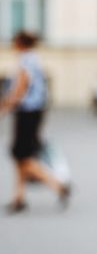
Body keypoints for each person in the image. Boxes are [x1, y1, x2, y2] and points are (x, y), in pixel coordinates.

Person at [2, 31, 71, 213]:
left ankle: (58, 185)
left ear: (19, 43)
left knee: (23, 156)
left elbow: (19, 89)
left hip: (27, 113)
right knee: (20, 156)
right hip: (34, 112)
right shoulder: (34, 59)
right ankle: (19, 197)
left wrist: (4, 108)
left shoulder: (26, 61)